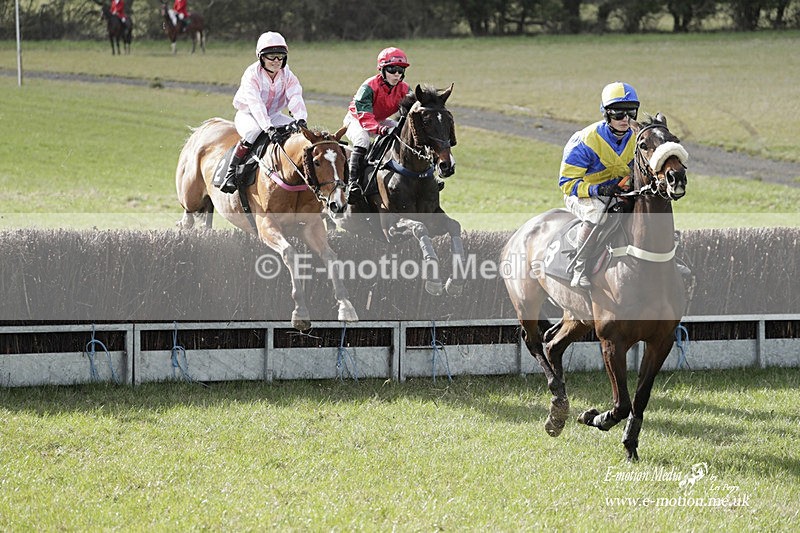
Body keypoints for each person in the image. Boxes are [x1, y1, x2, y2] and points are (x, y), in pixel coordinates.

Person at [559, 81, 639, 288]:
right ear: (606, 114)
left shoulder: (638, 137)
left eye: (631, 113)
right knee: (596, 213)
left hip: (620, 192)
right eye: (618, 114)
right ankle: (580, 268)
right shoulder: (584, 141)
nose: (626, 119)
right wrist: (598, 190)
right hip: (584, 195)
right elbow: (567, 184)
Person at [219, 31, 308, 194]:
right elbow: (256, 105)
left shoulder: (288, 74)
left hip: (274, 115)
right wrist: (268, 128)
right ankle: (231, 173)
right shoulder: (251, 75)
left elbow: (295, 96)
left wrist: (301, 119)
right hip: (249, 115)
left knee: (302, 134)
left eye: (280, 56)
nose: (276, 61)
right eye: (271, 56)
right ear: (261, 57)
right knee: (254, 131)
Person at [342, 47, 411, 204]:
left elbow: (412, 112)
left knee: (405, 135)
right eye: (392, 69)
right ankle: (353, 184)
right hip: (356, 119)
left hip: (380, 119)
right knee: (362, 141)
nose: (397, 74)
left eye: (401, 70)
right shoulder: (369, 86)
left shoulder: (405, 89)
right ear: (383, 69)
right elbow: (365, 117)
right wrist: (381, 130)